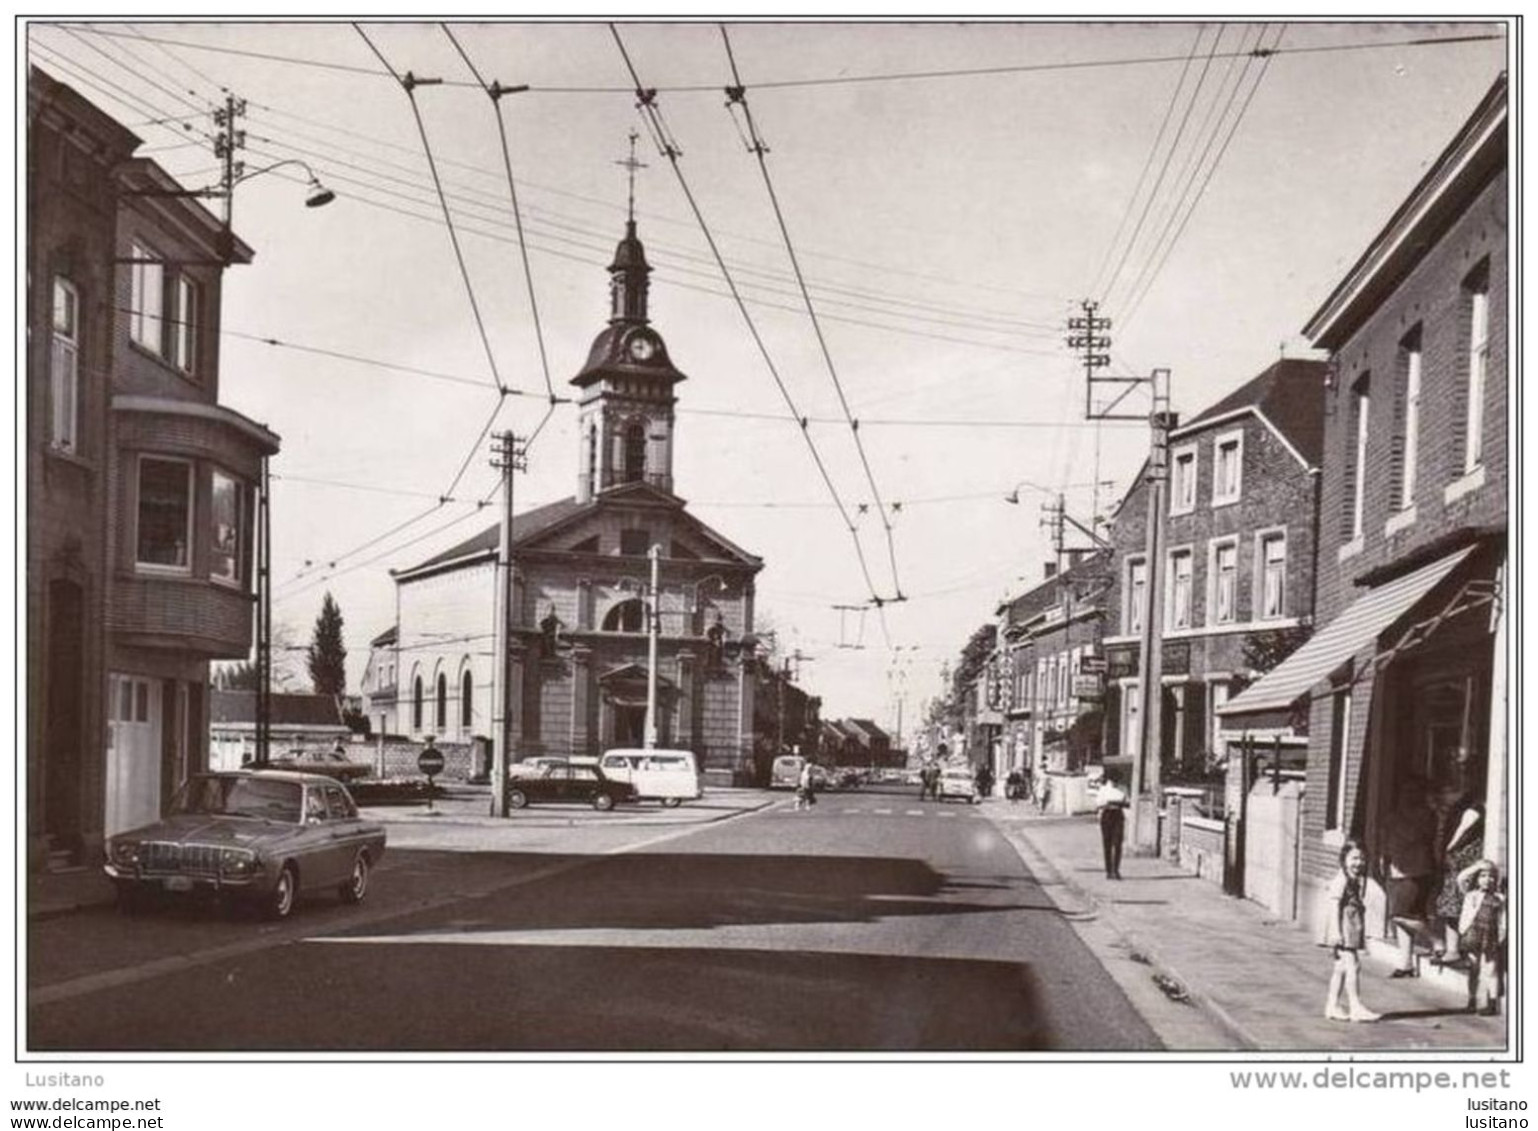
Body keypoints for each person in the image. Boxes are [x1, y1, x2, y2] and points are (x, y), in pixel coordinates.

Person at [1316, 841, 1381, 1023]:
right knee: (1352, 965)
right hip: (1344, 926)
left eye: (1362, 858)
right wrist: (1336, 932)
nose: (1358, 863)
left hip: (1351, 923)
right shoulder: (1342, 879)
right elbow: (1333, 904)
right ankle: (1355, 1006)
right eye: (1354, 858)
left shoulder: (1353, 879)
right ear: (1344, 859)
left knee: (1341, 968)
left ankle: (1332, 1005)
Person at [1380, 776, 1435, 978]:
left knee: (1401, 914)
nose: (1407, 796)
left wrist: (1398, 820)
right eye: (1404, 791)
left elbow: (1415, 836)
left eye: (1412, 791)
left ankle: (1436, 940)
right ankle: (1405, 963)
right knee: (1402, 919)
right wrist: (1383, 861)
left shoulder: (1425, 814)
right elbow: (1386, 839)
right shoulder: (1393, 815)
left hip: (1416, 870)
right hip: (1395, 870)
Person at [1431, 794, 1484, 968]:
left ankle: (1457, 950)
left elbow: (1461, 830)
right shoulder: (1466, 808)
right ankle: (1454, 949)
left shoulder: (1474, 809)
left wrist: (1448, 848)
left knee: (1458, 906)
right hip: (1459, 863)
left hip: (1462, 864)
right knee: (1454, 907)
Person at [1456, 859, 1505, 1015]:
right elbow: (1460, 878)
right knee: (1473, 967)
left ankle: (1492, 1003)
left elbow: (1503, 919)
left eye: (1491, 876)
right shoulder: (1471, 895)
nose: (1487, 879)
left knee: (1492, 969)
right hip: (1472, 933)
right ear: (1476, 878)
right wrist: (1477, 866)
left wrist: (1502, 935)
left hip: (1490, 935)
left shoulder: (1500, 898)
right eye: (1483, 876)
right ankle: (1472, 1000)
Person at [1097, 772, 1128, 880]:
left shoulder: (1123, 788)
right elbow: (1099, 803)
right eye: (1113, 780)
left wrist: (1119, 803)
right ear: (1109, 780)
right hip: (1107, 815)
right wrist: (1108, 803)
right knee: (1107, 844)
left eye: (1116, 780)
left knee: (1118, 843)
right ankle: (1109, 870)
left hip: (1118, 815)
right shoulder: (1104, 789)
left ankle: (1116, 870)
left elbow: (1127, 801)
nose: (1115, 783)